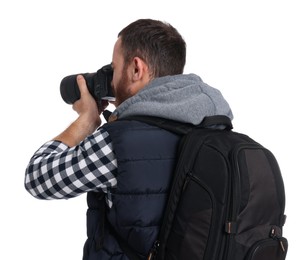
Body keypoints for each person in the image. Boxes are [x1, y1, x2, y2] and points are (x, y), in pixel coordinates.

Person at [25, 19, 233, 260]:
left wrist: (86, 120)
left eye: (114, 68)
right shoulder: (218, 131)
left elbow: (38, 178)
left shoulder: (120, 144)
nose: (111, 81)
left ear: (136, 69)